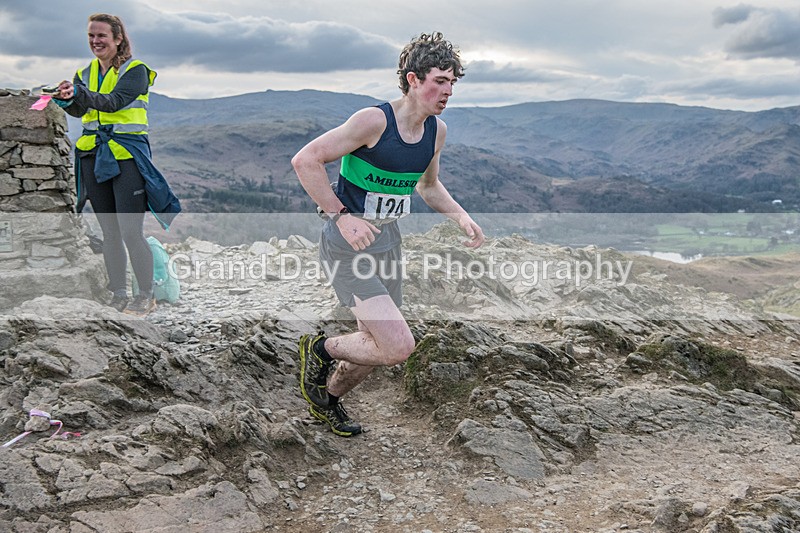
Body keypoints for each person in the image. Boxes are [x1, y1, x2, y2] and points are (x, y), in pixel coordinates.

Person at [292, 32, 485, 437]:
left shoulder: (436, 131)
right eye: (440, 81)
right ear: (413, 79)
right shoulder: (374, 121)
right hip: (347, 247)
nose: (448, 91)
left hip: (388, 245)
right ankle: (320, 349)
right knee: (397, 346)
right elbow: (306, 160)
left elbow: (428, 186)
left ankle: (327, 401)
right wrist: (342, 216)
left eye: (452, 82)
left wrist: (461, 217)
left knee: (374, 342)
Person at [51, 13, 180, 316]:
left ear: (118, 39)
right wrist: (67, 99)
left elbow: (113, 102)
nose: (95, 41)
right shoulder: (84, 72)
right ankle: (118, 294)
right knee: (109, 231)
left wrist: (79, 92)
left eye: (102, 36)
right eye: (91, 36)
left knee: (130, 231)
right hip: (93, 155)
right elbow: (81, 109)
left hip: (126, 156)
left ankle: (145, 295)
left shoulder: (136, 71)